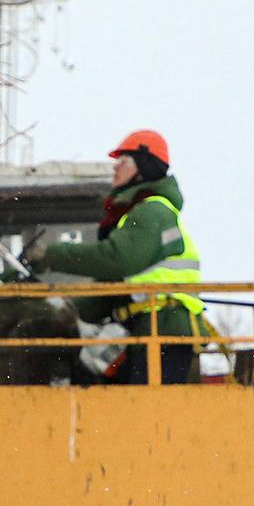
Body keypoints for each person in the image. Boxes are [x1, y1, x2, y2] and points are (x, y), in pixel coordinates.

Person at [27, 129, 205, 384]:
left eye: (123, 161)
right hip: (148, 325)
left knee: (147, 412)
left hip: (163, 328)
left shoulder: (151, 211)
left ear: (144, 167)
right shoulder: (139, 213)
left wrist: (51, 255)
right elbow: (117, 287)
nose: (115, 168)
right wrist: (72, 312)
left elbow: (115, 259)